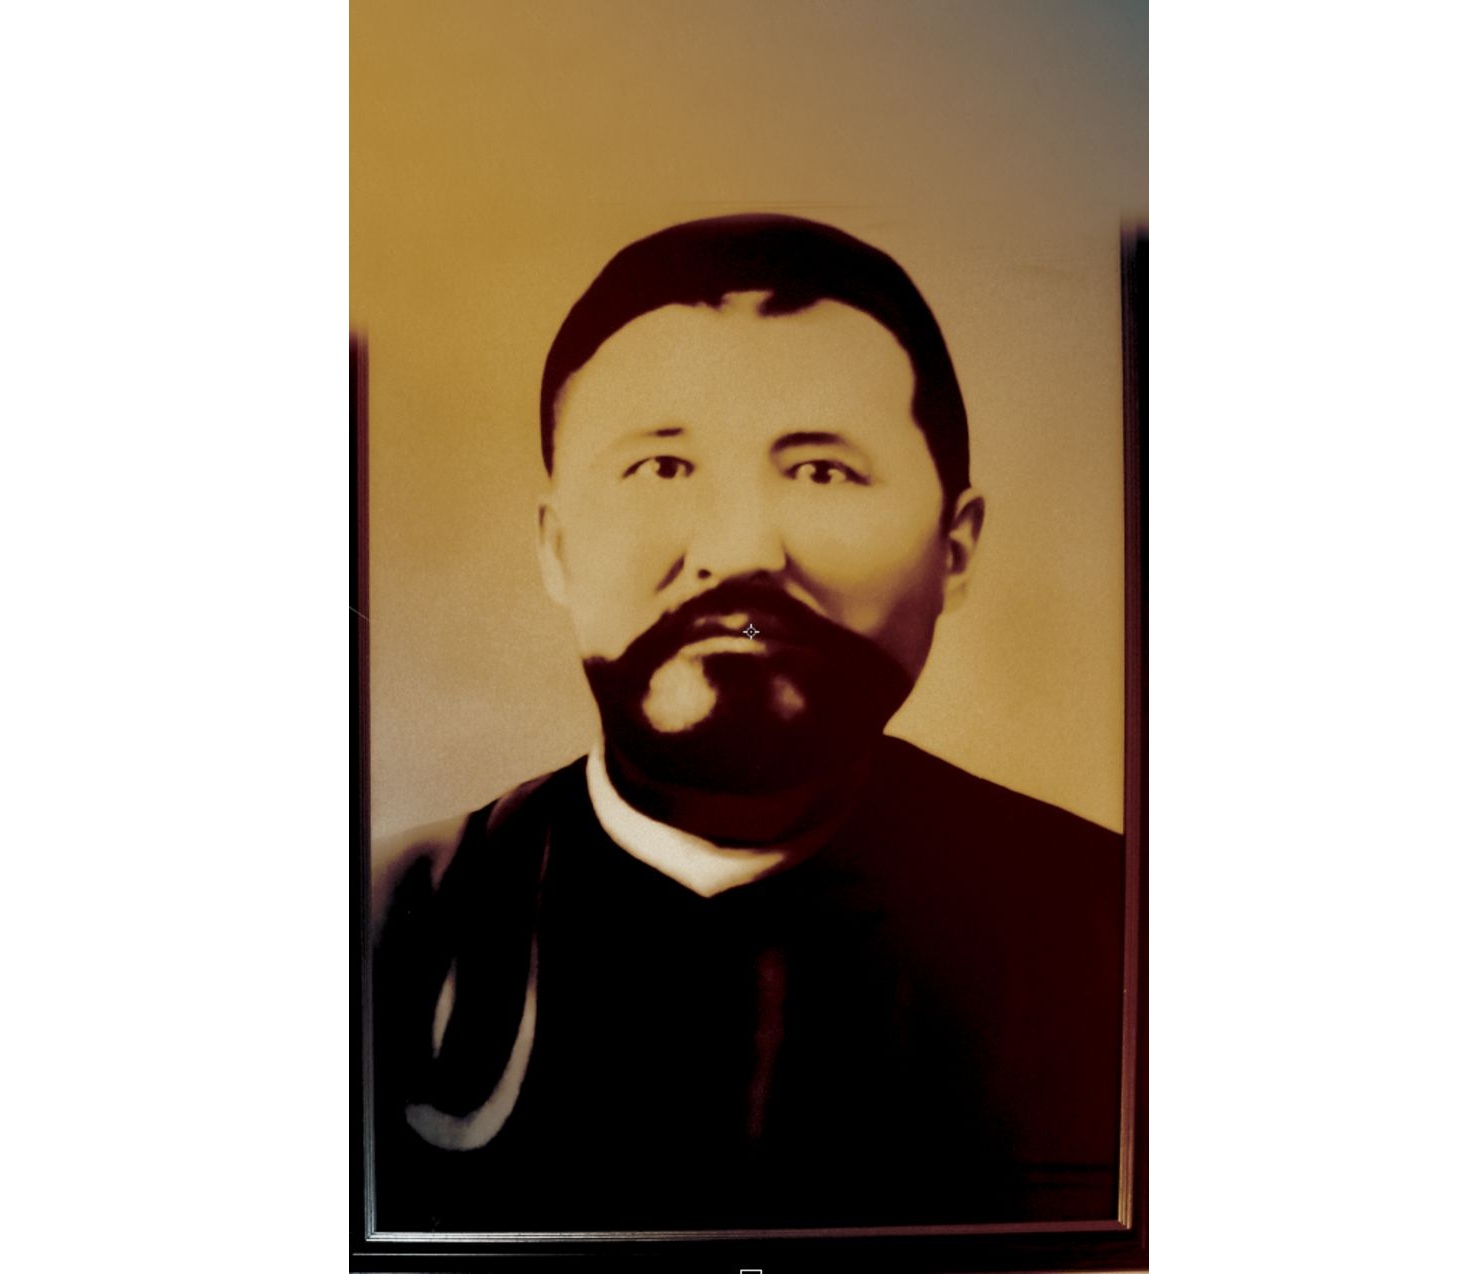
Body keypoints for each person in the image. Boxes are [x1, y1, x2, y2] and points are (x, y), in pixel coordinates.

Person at [369, 214, 1125, 1233]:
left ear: (955, 545)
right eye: (662, 467)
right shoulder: (375, 931)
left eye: (820, 471)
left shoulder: (1115, 928)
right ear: (555, 545)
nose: (737, 552)